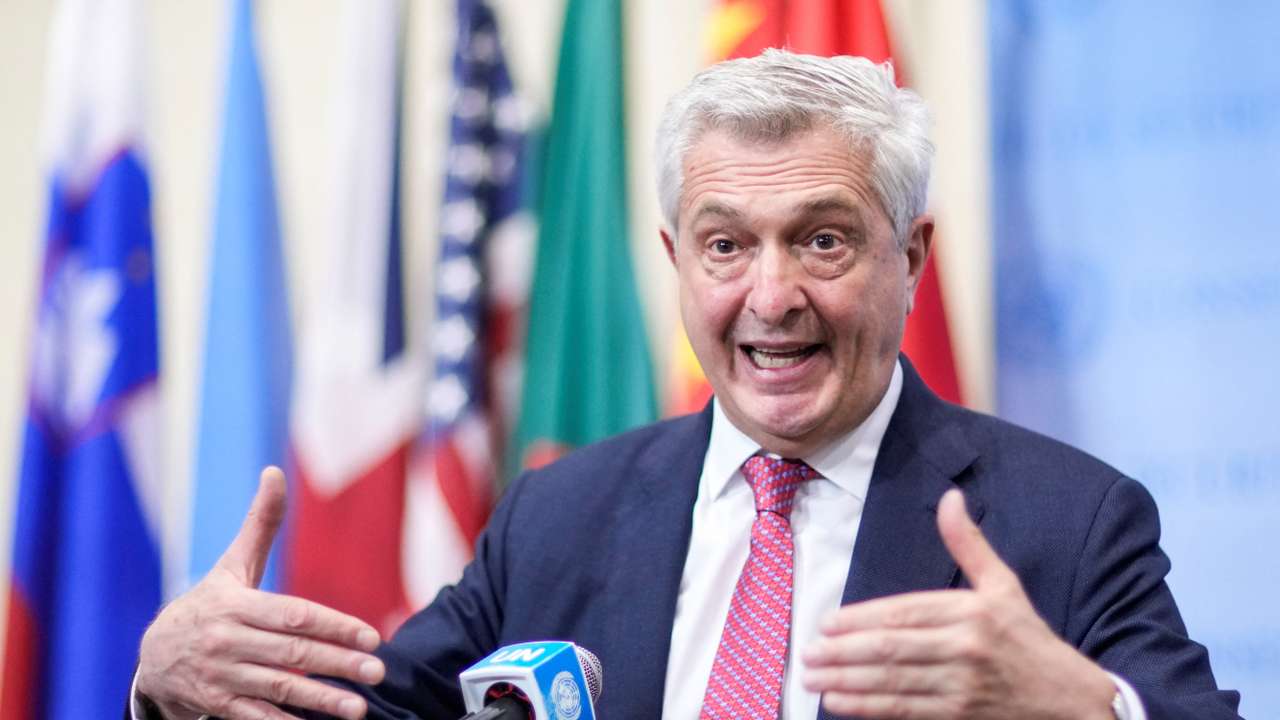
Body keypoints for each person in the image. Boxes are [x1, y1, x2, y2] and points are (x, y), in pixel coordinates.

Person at [132, 50, 1241, 720]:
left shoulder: (1067, 519)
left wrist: (1081, 709)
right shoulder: (556, 515)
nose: (769, 296)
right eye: (725, 244)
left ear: (910, 257)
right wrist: (181, 683)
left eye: (820, 241)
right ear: (675, 260)